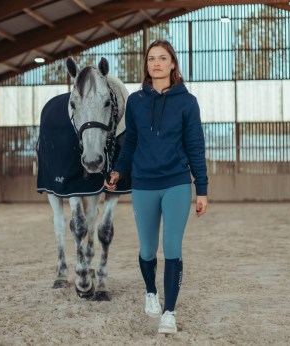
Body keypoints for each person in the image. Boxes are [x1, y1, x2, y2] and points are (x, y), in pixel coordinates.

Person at [104, 39, 208, 334]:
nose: (157, 63)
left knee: (172, 247)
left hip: (176, 183)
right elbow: (131, 141)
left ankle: (169, 313)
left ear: (173, 64)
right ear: (146, 65)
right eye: (152, 59)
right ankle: (151, 291)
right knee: (148, 249)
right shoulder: (135, 102)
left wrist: (202, 189)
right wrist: (118, 170)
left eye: (163, 58)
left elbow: (195, 147)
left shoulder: (187, 102)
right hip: (144, 184)